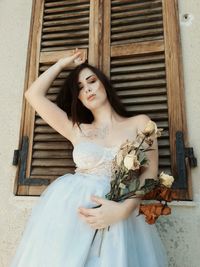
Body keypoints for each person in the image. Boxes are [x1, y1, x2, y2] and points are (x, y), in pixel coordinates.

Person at [10, 48, 168, 266]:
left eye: (91, 81)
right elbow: (33, 95)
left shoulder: (140, 123)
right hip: (71, 216)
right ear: (79, 99)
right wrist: (62, 63)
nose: (88, 89)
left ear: (103, 83)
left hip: (119, 216)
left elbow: (149, 174)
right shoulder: (76, 129)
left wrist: (123, 210)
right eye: (80, 88)